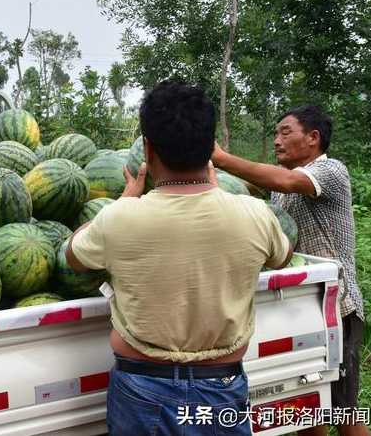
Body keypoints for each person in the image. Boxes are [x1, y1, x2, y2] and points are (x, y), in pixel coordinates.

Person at [66, 81, 292, 435]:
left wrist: (124, 200)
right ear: (210, 148)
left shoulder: (119, 218)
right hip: (222, 389)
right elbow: (282, 257)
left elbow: (73, 255)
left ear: (147, 148)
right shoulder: (255, 213)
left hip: (142, 391)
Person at [211, 105, 369, 436]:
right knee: (308, 416)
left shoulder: (330, 172)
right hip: (301, 309)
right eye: (276, 134)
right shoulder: (280, 189)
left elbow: (285, 180)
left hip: (337, 310)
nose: (278, 140)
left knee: (346, 419)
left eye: (286, 132)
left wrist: (220, 157)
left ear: (313, 138)